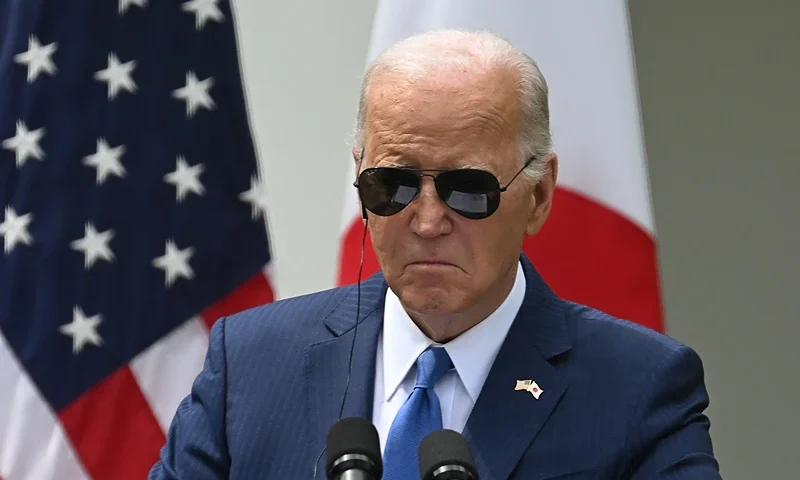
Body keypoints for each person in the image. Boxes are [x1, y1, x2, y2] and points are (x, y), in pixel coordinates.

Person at [149, 29, 721, 479]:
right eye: (391, 185)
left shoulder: (638, 388)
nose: (426, 222)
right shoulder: (249, 365)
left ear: (539, 196)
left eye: (468, 188)